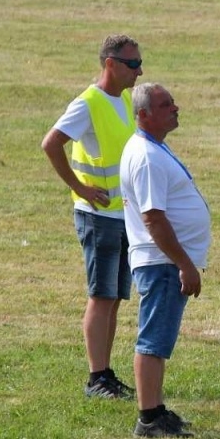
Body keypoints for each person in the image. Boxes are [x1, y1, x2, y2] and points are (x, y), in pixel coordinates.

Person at [39, 35, 144, 399]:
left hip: (122, 215)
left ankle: (106, 373)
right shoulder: (88, 103)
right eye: (132, 64)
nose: (139, 71)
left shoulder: (125, 98)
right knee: (101, 296)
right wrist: (80, 188)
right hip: (98, 217)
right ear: (110, 64)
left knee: (114, 297)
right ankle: (96, 377)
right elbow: (51, 143)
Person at [118, 84, 210, 439]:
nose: (176, 108)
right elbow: (153, 218)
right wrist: (184, 264)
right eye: (165, 104)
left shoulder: (152, 148)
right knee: (154, 340)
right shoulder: (146, 157)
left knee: (158, 338)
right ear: (143, 115)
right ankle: (148, 419)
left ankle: (156, 410)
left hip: (162, 260)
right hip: (161, 262)